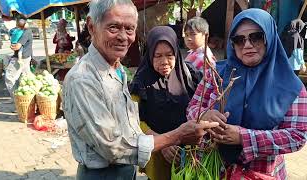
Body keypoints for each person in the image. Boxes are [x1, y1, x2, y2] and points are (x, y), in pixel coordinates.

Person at [63, 0, 219, 179]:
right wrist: (176, 136)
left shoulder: (116, 69)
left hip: (127, 169)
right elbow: (114, 148)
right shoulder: (83, 80)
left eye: (129, 29)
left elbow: (130, 125)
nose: (123, 37)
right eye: (113, 27)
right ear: (91, 26)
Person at [186, 8, 307, 179]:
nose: (247, 45)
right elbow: (192, 109)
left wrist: (245, 138)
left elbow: (297, 135)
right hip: (213, 171)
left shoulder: (291, 86)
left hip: (261, 173)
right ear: (232, 44)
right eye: (239, 40)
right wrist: (204, 115)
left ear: (270, 38)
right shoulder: (216, 74)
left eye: (256, 37)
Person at [129, 26, 199, 180]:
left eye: (169, 55)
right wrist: (163, 143)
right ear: (149, 56)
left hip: (189, 154)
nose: (164, 62)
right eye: (158, 56)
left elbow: (201, 106)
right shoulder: (140, 83)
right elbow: (134, 121)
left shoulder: (189, 76)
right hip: (158, 153)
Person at [5, 19, 33, 107]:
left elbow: (17, 47)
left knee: (9, 77)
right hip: (26, 57)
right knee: (25, 78)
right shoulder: (24, 31)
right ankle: (25, 101)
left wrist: (12, 45)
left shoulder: (26, 32)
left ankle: (15, 100)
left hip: (21, 59)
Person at [183, 16, 216, 82]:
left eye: (193, 34)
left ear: (205, 35)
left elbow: (207, 83)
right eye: (186, 35)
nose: (188, 38)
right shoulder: (192, 52)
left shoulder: (205, 58)